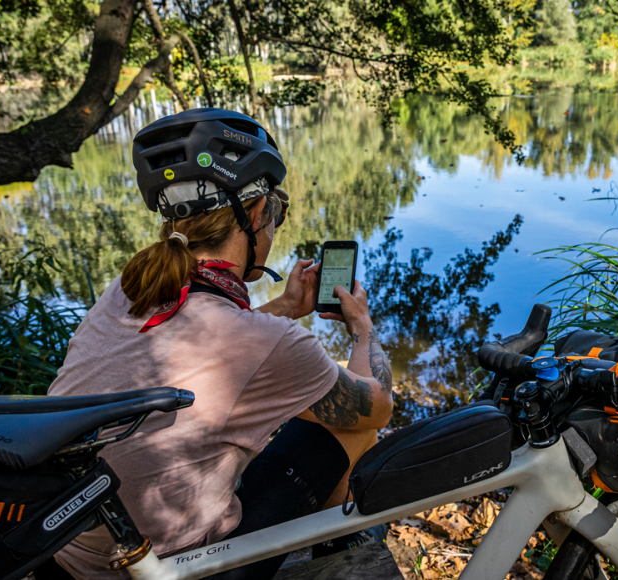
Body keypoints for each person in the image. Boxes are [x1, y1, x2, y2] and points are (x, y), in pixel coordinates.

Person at [45, 108, 393, 580]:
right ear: (252, 214)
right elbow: (376, 407)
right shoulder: (268, 343)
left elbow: (213, 345)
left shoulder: (127, 290)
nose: (274, 230)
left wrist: (288, 307)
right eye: (276, 214)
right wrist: (363, 329)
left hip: (71, 556)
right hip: (180, 571)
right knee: (349, 427)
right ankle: (340, 553)